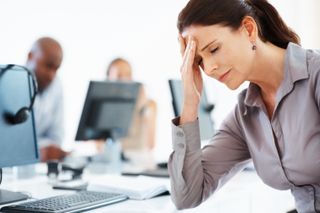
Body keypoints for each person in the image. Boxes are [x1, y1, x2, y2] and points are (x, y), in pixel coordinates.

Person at [168, 0, 320, 212]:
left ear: (249, 29)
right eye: (199, 61)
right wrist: (190, 105)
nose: (209, 68)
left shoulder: (316, 76)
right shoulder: (246, 115)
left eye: (213, 49)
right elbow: (186, 197)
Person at [26, 37, 68, 162]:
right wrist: (37, 151)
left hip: (40, 168)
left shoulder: (56, 85)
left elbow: (56, 135)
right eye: (48, 66)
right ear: (30, 56)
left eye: (56, 68)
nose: (51, 75)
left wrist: (50, 150)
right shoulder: (8, 84)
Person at [106, 58, 157, 153]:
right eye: (119, 75)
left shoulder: (149, 105)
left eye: (128, 75)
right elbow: (99, 147)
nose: (124, 79)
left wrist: (143, 108)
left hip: (140, 162)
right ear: (108, 77)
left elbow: (150, 144)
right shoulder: (103, 106)